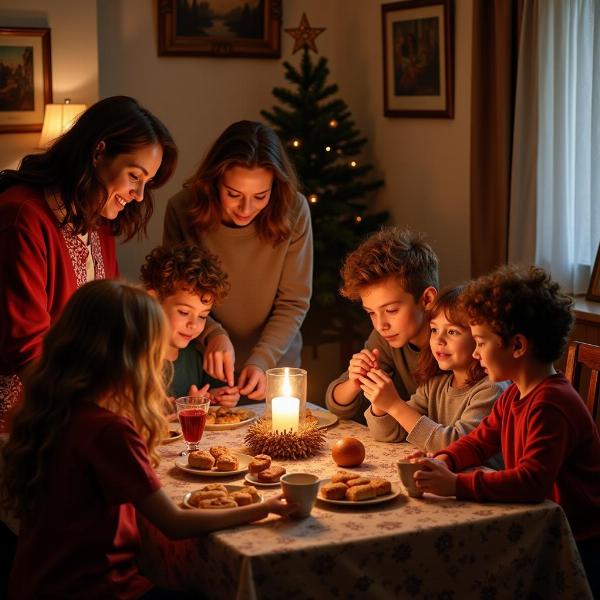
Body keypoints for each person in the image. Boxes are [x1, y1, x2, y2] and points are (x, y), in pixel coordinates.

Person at [0, 280, 295, 599]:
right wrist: (263, 508)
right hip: (97, 589)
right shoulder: (108, 431)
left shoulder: (48, 412)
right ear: (132, 358)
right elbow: (175, 523)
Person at [411, 265, 600, 597]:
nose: (474, 352)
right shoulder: (515, 392)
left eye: (481, 342)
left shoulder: (550, 404)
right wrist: (444, 459)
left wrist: (456, 484)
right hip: (538, 523)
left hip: (575, 542)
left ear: (517, 346)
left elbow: (531, 481)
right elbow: (481, 440)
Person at [0, 95, 178, 430]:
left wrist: (132, 393)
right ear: (98, 152)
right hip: (24, 423)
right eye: (134, 176)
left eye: (147, 182)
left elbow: (108, 324)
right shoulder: (21, 217)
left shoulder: (97, 221)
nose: (139, 195)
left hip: (74, 410)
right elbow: (27, 349)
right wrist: (97, 411)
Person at [163, 120, 312, 401]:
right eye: (233, 195)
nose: (246, 209)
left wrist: (262, 360)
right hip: (206, 367)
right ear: (214, 182)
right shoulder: (182, 209)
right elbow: (171, 291)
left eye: (260, 196)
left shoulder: (295, 210)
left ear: (275, 189)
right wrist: (212, 334)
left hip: (275, 367)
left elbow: (294, 301)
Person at [364, 286, 507, 455]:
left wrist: (395, 405)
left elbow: (457, 447)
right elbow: (388, 433)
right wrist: (380, 401)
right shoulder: (435, 385)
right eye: (434, 329)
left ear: (479, 338)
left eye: (452, 331)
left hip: (478, 479)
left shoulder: (492, 389)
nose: (439, 340)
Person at [325, 227, 438, 424]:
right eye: (371, 313)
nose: (380, 325)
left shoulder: (457, 342)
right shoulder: (387, 337)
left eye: (392, 310)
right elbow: (335, 405)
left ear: (427, 299)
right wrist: (354, 381)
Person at [140, 243, 239, 406]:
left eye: (203, 316)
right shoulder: (133, 358)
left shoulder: (196, 357)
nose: (194, 325)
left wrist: (217, 397)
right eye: (184, 313)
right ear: (153, 300)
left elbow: (204, 396)